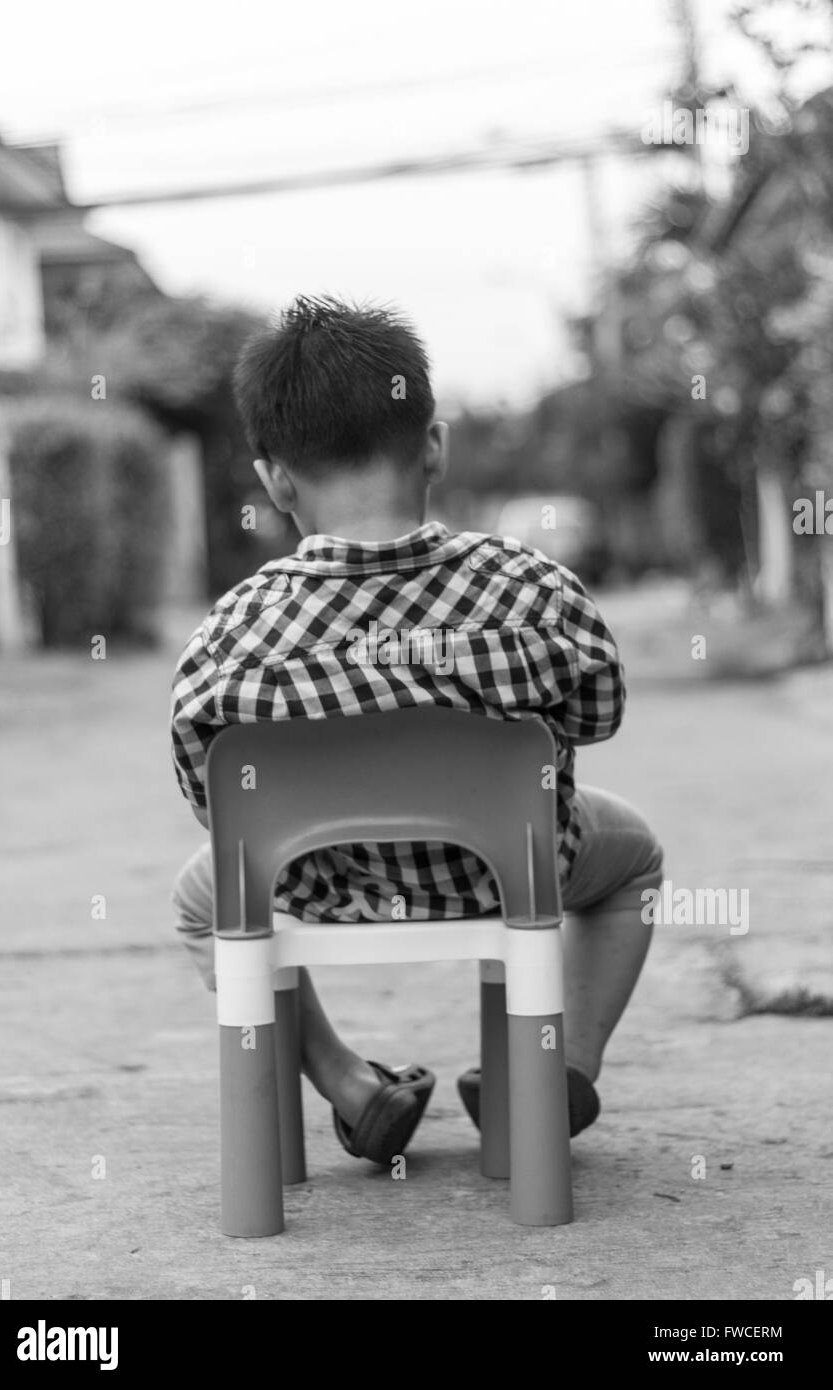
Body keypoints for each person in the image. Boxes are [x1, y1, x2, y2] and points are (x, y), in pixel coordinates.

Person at [171, 295, 663, 1165]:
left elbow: (213, 798)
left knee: (206, 894)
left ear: (276, 479)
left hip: (324, 884)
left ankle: (349, 1085)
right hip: (511, 876)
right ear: (433, 443)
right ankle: (553, 1079)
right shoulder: (534, 589)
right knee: (639, 858)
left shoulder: (232, 632)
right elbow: (599, 716)